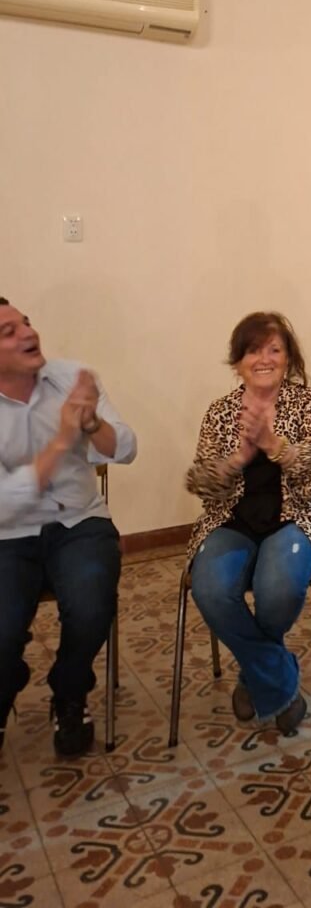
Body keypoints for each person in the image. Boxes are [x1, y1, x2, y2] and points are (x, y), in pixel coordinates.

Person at [185, 311, 311, 734]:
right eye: (254, 350)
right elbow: (202, 487)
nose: (264, 359)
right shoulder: (220, 412)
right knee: (210, 589)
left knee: (278, 588)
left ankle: (253, 675)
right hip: (231, 522)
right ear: (238, 362)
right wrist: (238, 458)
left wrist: (274, 445)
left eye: (275, 349)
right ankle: (277, 677)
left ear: (289, 359)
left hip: (300, 518)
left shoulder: (308, 404)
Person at [0, 298, 136, 757]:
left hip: (79, 521)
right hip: (8, 535)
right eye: (8, 332)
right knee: (2, 631)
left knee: (92, 604)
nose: (27, 333)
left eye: (26, 322)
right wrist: (62, 440)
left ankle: (69, 692)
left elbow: (126, 448)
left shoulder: (70, 377)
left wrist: (93, 423)